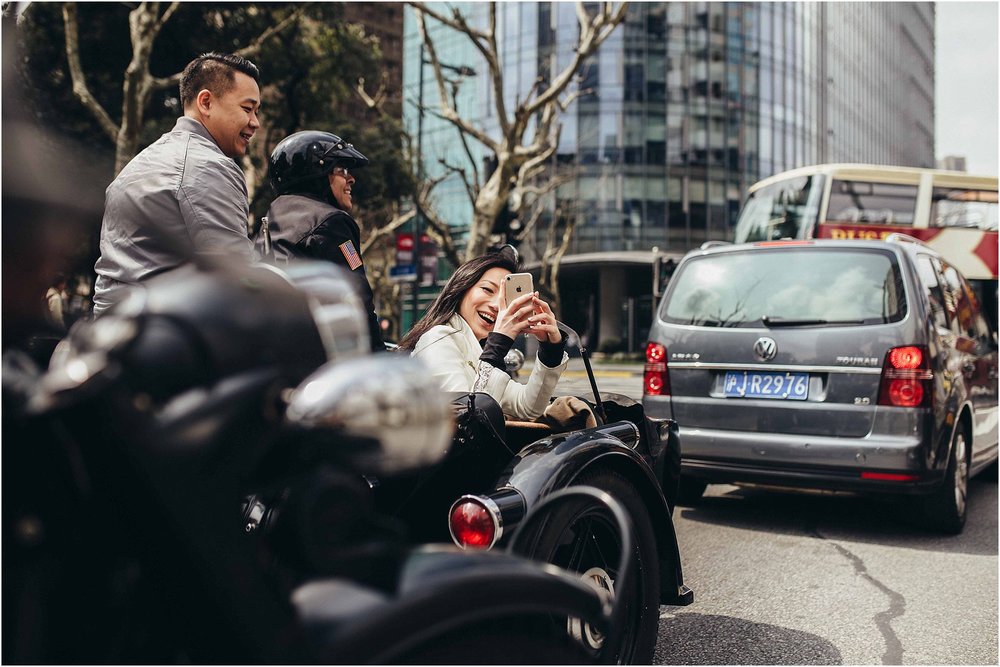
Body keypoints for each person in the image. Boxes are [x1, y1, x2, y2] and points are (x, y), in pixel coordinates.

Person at [92, 52, 261, 316]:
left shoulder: (134, 166)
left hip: (114, 330)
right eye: (247, 109)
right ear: (206, 102)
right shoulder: (209, 166)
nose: (255, 122)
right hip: (167, 337)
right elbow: (238, 276)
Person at [397, 246, 568, 421]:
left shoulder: (475, 348)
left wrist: (550, 351)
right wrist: (498, 344)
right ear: (462, 288)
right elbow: (468, 421)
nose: (496, 305)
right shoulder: (438, 339)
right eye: (487, 290)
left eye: (505, 299)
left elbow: (527, 408)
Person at [258, 130, 384, 352]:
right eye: (342, 170)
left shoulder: (271, 220)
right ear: (318, 172)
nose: (351, 178)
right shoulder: (331, 222)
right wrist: (380, 358)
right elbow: (356, 301)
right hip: (320, 357)